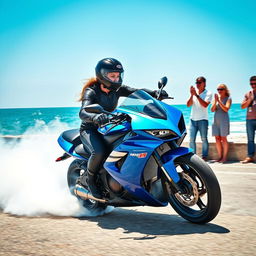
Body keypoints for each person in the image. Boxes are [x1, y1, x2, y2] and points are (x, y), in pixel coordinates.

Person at [78, 57, 168, 199]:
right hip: (91, 129)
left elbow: (137, 92)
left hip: (108, 126)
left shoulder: (117, 89)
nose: (116, 79)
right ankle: (90, 180)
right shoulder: (92, 91)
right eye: (112, 76)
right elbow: (83, 112)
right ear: (102, 75)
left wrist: (155, 94)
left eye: (118, 75)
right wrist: (95, 117)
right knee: (99, 152)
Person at [186, 76, 212, 160]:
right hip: (193, 119)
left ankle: (204, 156)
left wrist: (196, 95)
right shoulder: (194, 93)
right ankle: (193, 157)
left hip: (203, 120)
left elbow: (205, 105)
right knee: (191, 139)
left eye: (199, 82)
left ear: (204, 83)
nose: (197, 84)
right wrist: (191, 95)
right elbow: (188, 104)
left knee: (204, 139)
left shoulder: (208, 93)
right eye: (196, 82)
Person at [211, 84, 232, 163]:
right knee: (217, 138)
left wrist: (219, 101)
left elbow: (226, 109)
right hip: (216, 120)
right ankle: (220, 157)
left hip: (224, 120)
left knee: (223, 138)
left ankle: (224, 157)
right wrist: (216, 101)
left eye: (221, 89)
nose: (219, 91)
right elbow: (212, 110)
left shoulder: (228, 98)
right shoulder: (216, 99)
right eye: (218, 89)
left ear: (225, 90)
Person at [241, 76, 256, 163]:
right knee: (250, 139)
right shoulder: (248, 94)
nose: (253, 85)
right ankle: (250, 156)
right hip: (249, 120)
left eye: (255, 83)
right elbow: (242, 106)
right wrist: (249, 99)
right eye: (251, 84)